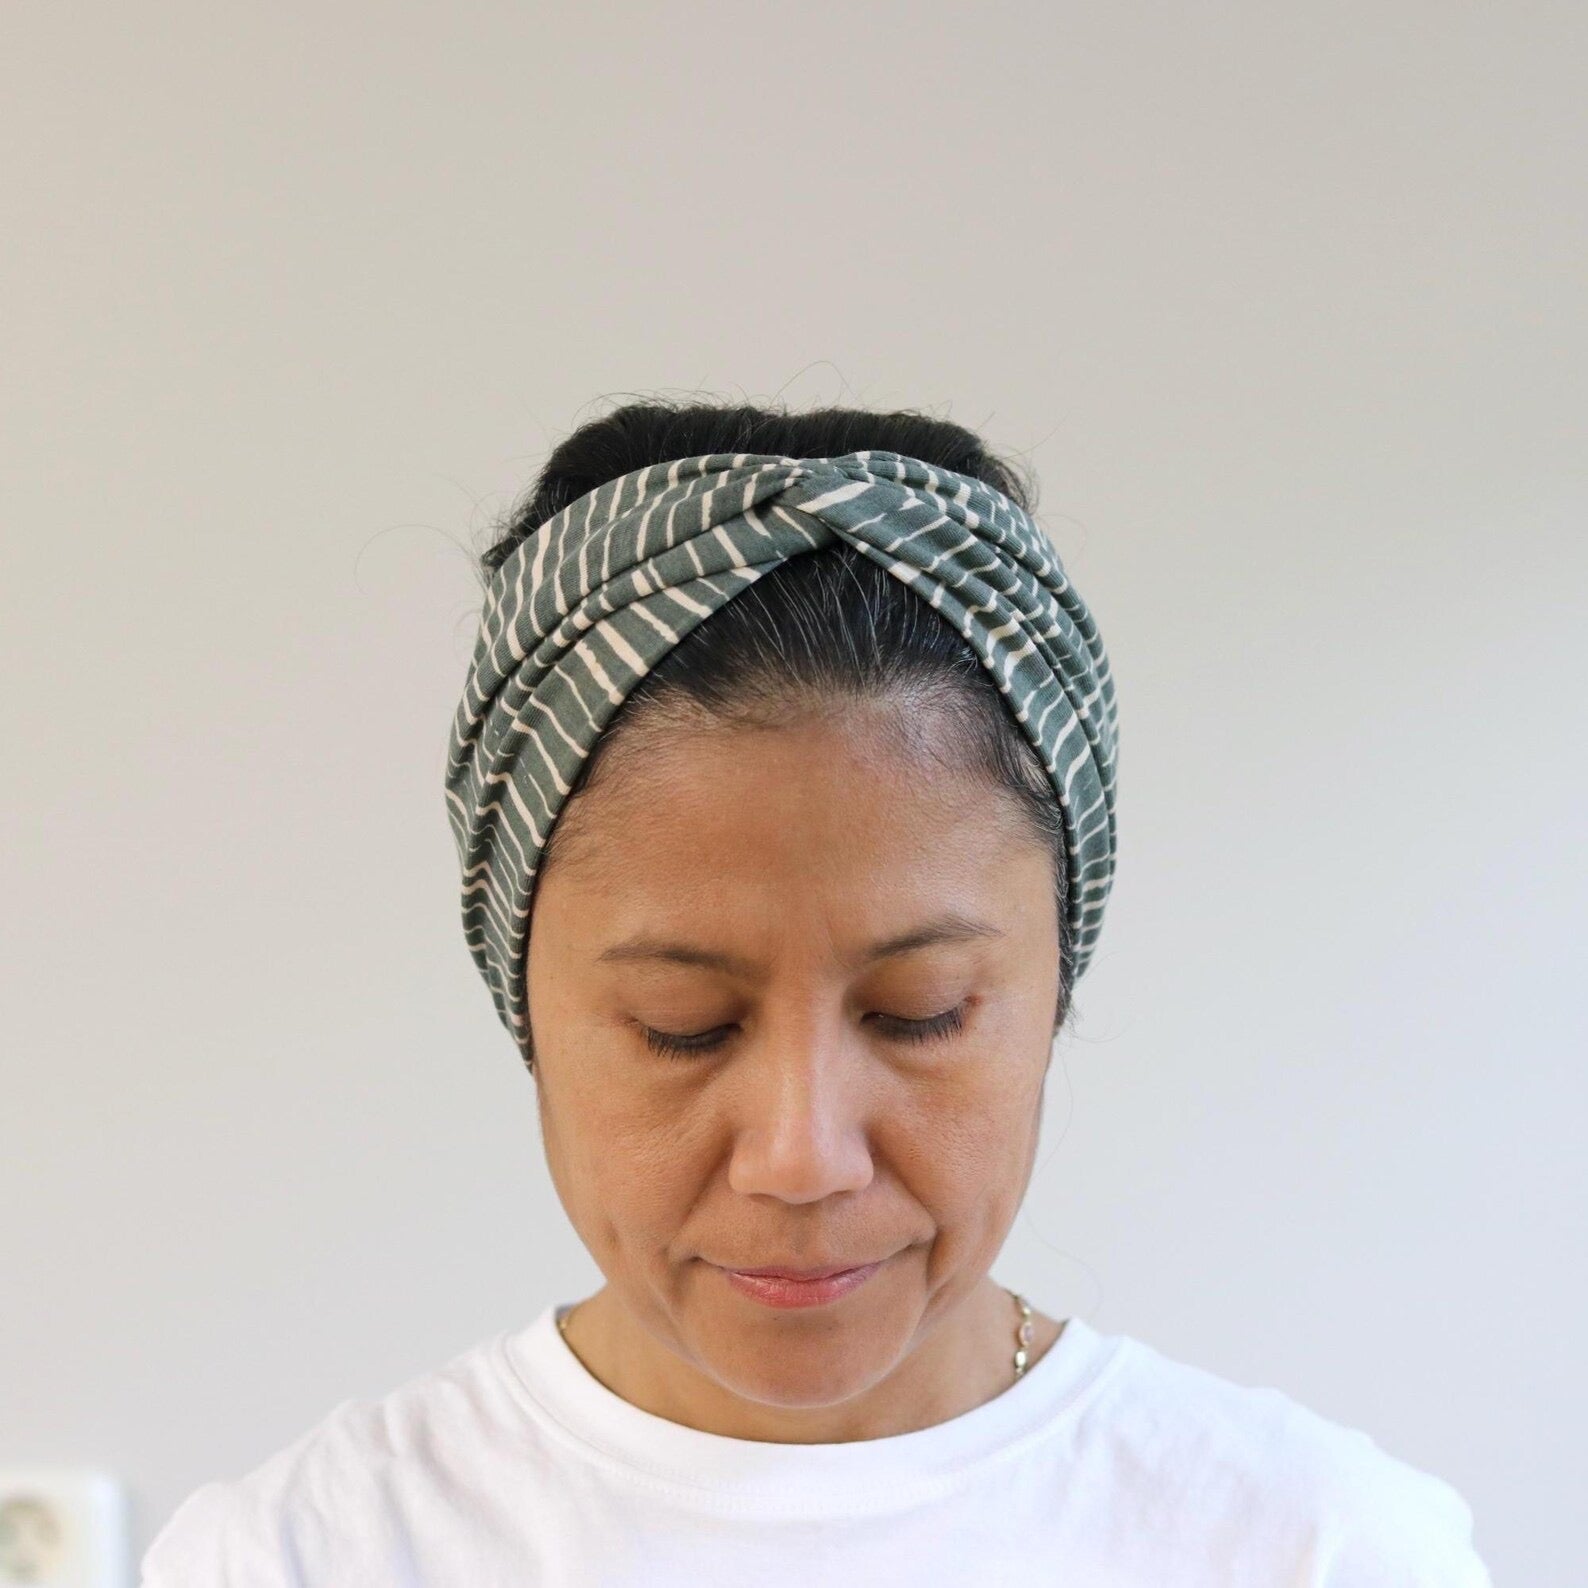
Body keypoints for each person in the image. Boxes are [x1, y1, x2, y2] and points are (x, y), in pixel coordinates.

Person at [140, 400, 1491, 1585]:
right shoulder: (303, 1558)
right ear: (527, 1007)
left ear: (1051, 991)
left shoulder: (1315, 1550)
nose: (802, 1159)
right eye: (685, 1026)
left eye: (922, 1014)